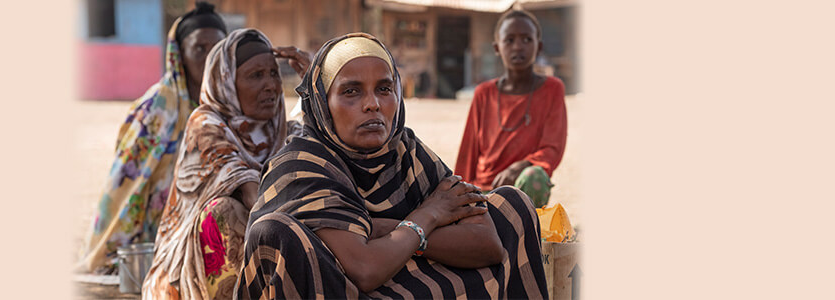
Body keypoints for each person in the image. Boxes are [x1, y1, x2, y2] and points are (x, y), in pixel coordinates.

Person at [238, 33, 547, 299]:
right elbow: (365, 269)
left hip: (403, 283)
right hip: (339, 291)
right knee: (272, 232)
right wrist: (426, 217)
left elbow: (488, 243)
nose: (372, 103)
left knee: (510, 206)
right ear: (322, 104)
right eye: (351, 91)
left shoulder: (407, 151)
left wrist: (389, 229)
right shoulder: (300, 166)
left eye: (384, 89)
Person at [139, 28, 308, 300]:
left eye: (274, 73)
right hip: (186, 276)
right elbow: (255, 196)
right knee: (224, 212)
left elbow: (332, 154)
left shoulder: (283, 132)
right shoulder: (206, 125)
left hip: (260, 262)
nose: (271, 85)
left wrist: (316, 84)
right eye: (256, 75)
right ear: (226, 82)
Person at [77, 2, 228, 275]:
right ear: (178, 54)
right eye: (198, 49)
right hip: (153, 232)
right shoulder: (158, 106)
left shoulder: (226, 106)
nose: (208, 58)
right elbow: (125, 182)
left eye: (215, 49)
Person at [455, 9, 568, 207]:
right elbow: (468, 150)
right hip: (484, 190)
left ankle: (523, 227)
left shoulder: (552, 89)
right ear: (497, 48)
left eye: (526, 39)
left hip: (523, 188)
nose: (518, 47)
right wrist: (459, 191)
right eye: (509, 40)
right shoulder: (484, 93)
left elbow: (553, 148)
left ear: (538, 46)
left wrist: (522, 166)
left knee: (536, 175)